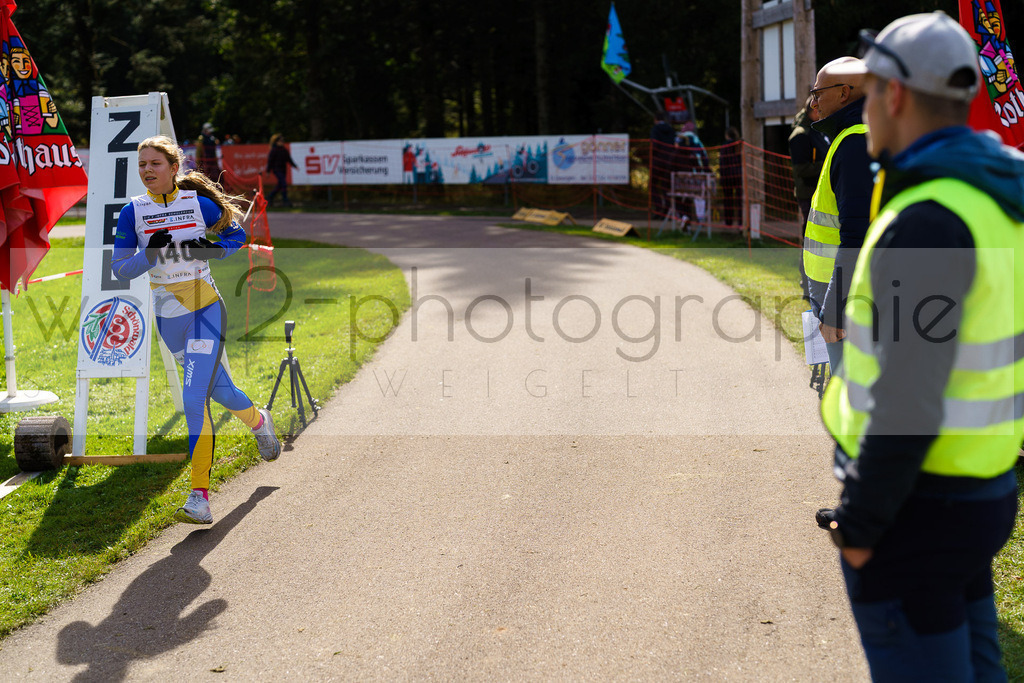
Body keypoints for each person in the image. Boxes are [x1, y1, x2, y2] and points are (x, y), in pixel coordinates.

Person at [818, 12, 1024, 679]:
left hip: (917, 512)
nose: (868, 109)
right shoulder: (994, 198)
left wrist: (858, 527)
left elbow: (908, 402)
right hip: (978, 492)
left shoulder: (930, 220)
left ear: (896, 97)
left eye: (872, 91)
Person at [111, 135, 282, 525]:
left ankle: (199, 496)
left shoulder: (197, 204)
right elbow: (119, 271)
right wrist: (149, 253)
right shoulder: (131, 212)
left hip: (206, 308)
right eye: (142, 165)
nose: (147, 171)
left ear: (174, 169)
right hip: (169, 319)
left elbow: (237, 237)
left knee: (193, 399)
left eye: (155, 164)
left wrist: (209, 247)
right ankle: (259, 421)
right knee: (219, 389)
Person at [803, 57, 874, 374]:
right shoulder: (847, 138)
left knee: (852, 404)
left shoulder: (855, 143)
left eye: (818, 91)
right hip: (835, 293)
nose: (814, 99)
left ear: (844, 93)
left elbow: (856, 237)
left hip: (846, 303)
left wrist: (834, 311)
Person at [789, 98, 830, 300]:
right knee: (810, 241)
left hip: (818, 195)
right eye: (820, 109)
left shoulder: (817, 131)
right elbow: (801, 170)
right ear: (813, 110)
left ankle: (813, 284)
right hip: (808, 195)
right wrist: (827, 166)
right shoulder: (800, 136)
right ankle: (807, 284)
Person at [649, 111, 677, 215]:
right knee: (666, 186)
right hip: (669, 161)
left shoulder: (655, 129)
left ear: (655, 119)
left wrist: (653, 155)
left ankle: (658, 207)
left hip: (658, 161)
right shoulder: (671, 130)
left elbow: (655, 145)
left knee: (653, 185)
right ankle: (667, 208)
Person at [719, 127, 743, 226]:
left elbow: (722, 162)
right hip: (738, 175)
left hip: (727, 176)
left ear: (727, 135)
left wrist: (722, 175)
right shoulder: (739, 145)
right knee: (740, 200)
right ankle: (741, 222)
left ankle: (728, 222)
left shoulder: (725, 146)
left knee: (728, 200)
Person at [266, 133, 298, 207]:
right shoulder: (274, 150)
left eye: (282, 141)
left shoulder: (284, 150)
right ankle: (285, 199)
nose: (282, 142)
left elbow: (289, 159)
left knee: (280, 185)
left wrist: (294, 166)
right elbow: (270, 161)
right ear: (276, 142)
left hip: (283, 170)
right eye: (280, 141)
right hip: (277, 170)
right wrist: (268, 171)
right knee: (284, 184)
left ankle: (270, 197)